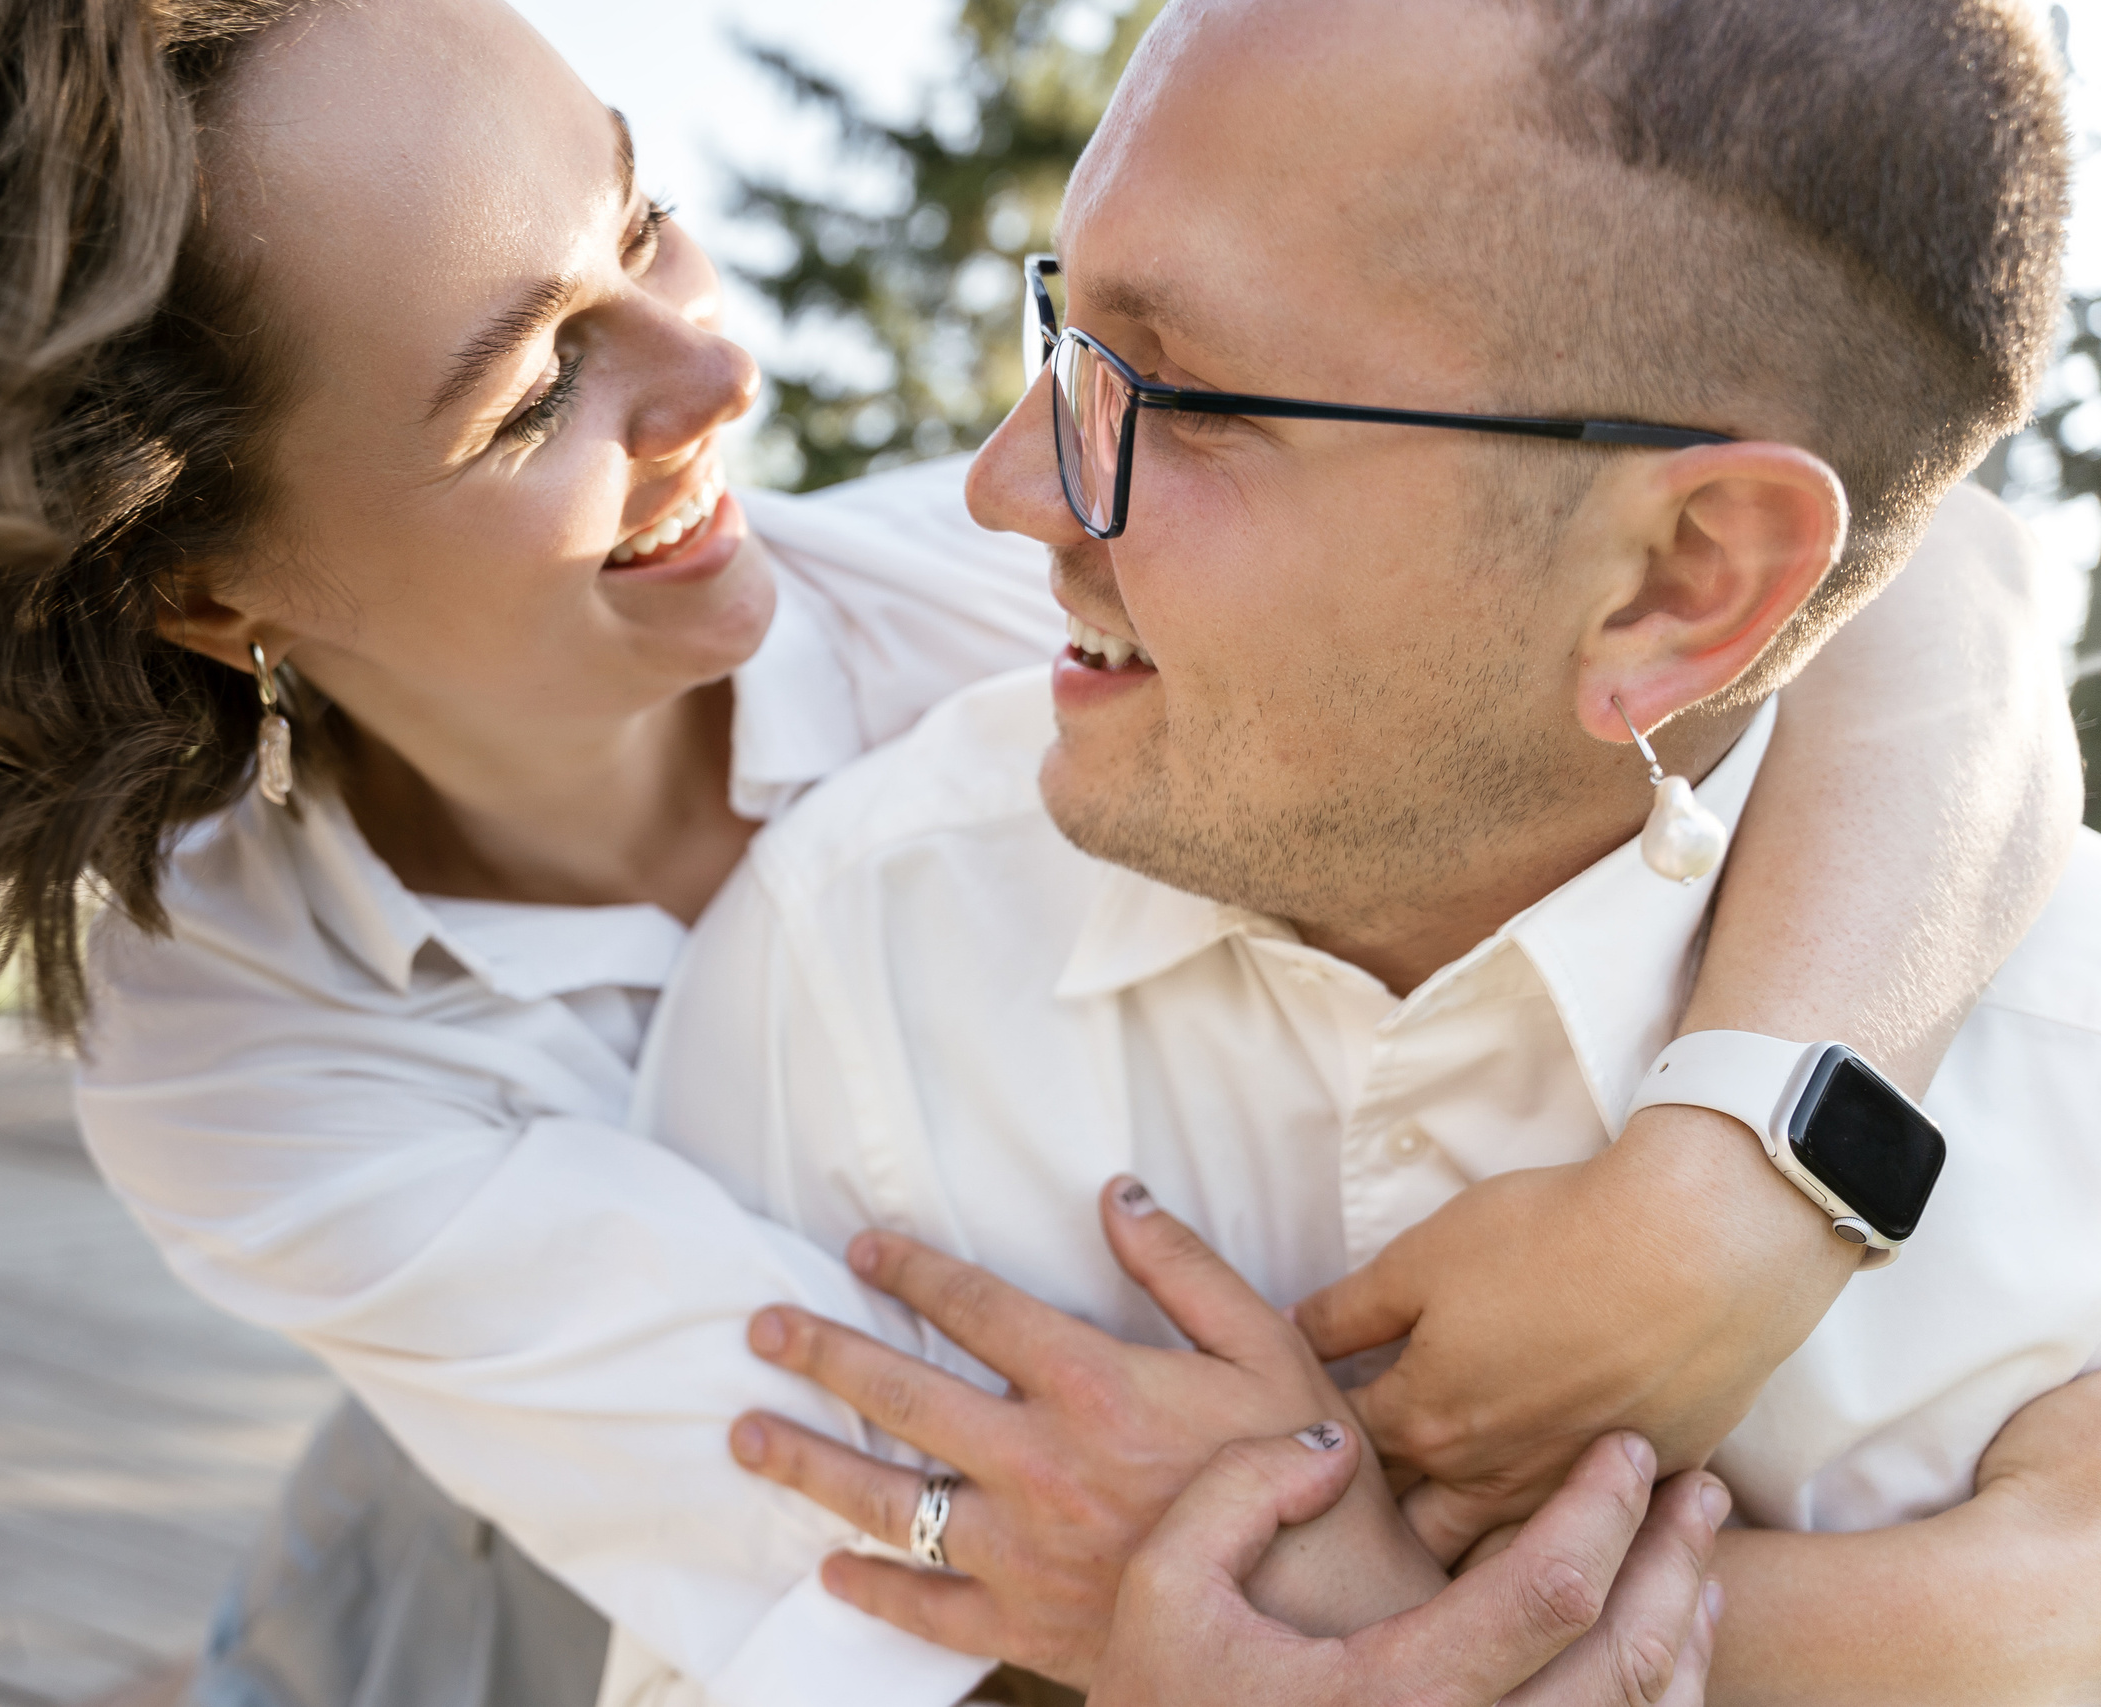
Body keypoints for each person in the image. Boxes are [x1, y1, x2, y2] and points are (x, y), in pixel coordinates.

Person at [0, 2, 2075, 1706]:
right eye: (543, 374)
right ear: (213, 583)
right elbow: (995, 1552)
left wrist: (1746, 1161)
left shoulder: (1001, 582)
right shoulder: (246, 1048)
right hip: (521, 1517)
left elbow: (1900, 539)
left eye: (639, 218)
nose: (719, 367)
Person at [635, 0, 2101, 1700]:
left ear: (1680, 581)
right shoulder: (859, 965)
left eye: (1176, 397)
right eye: (1067, 337)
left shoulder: (2069, 1117)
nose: (1006, 488)